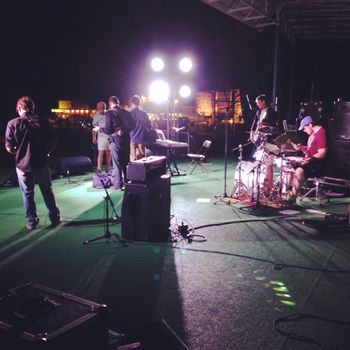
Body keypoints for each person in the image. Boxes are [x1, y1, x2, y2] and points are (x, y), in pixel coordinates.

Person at [5, 96, 61, 230]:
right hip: (41, 162)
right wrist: (46, 151)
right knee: (47, 191)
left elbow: (9, 147)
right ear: (32, 108)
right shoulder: (42, 121)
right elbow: (54, 141)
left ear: (19, 109)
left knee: (28, 193)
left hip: (22, 165)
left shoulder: (12, 123)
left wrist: (18, 153)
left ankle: (31, 222)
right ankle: (54, 218)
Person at [93, 96, 131, 190]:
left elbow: (108, 129)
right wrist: (124, 130)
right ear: (117, 102)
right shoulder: (126, 112)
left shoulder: (110, 113)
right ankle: (127, 182)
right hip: (126, 139)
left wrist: (99, 129)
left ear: (110, 103)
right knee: (126, 162)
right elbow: (132, 125)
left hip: (116, 139)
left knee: (117, 163)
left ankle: (118, 184)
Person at [291, 115, 328, 198]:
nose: (304, 130)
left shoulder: (320, 133)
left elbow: (322, 153)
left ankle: (293, 197)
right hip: (311, 161)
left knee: (299, 170)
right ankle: (297, 189)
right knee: (292, 165)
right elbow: (310, 149)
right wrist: (302, 148)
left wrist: (308, 160)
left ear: (310, 125)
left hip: (317, 164)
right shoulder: (313, 133)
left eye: (304, 128)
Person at [129, 95, 152, 161]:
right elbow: (149, 126)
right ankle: (142, 171)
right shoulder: (144, 113)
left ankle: (133, 171)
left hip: (132, 138)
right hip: (141, 138)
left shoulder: (129, 114)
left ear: (131, 102)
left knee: (132, 158)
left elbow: (127, 126)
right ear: (139, 102)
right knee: (142, 158)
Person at [92, 101, 111, 174]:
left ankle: (108, 168)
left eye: (104, 107)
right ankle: (99, 169)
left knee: (109, 153)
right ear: (98, 108)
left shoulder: (108, 113)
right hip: (101, 137)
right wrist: (94, 138)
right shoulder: (96, 116)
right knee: (101, 152)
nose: (103, 109)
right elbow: (94, 128)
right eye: (101, 107)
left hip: (109, 136)